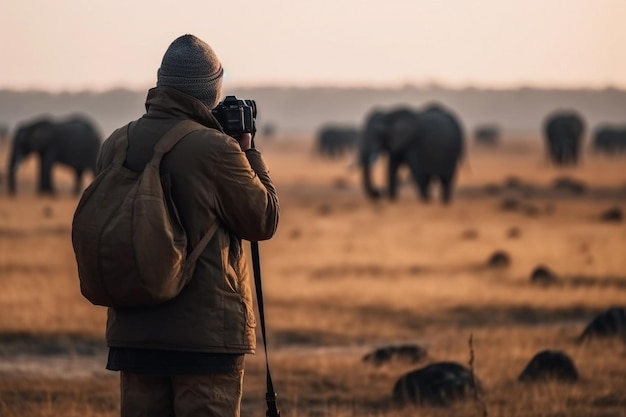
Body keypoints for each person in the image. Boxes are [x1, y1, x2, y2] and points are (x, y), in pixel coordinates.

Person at [96, 34, 280, 417]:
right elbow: (263, 220)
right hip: (205, 341)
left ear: (162, 82)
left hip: (134, 333)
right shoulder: (216, 148)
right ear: (212, 90)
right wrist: (247, 150)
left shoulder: (117, 142)